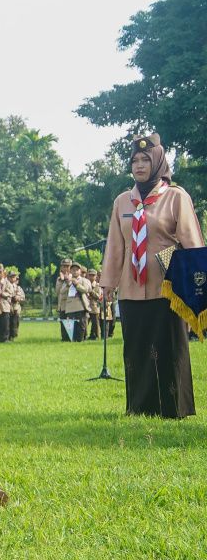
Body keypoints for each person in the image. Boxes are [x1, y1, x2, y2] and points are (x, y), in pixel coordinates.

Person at [100, 133, 204, 419]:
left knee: (169, 348)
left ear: (158, 162)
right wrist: (108, 283)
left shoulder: (176, 197)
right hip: (131, 288)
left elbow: (192, 242)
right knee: (136, 348)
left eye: (145, 160)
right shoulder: (123, 202)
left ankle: (173, 408)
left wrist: (199, 285)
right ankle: (140, 407)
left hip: (167, 288)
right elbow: (115, 245)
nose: (139, 165)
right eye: (135, 160)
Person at [66, 263, 92, 342]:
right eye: (73, 270)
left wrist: (76, 284)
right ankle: (73, 340)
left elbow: (86, 290)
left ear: (80, 271)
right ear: (70, 271)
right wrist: (67, 282)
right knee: (71, 325)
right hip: (70, 306)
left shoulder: (84, 280)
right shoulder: (67, 280)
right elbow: (60, 292)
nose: (75, 272)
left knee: (81, 324)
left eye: (77, 270)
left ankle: (80, 340)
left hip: (80, 305)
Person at [0, 264, 12, 343]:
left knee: (5, 323)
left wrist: (2, 294)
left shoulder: (7, 282)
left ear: (4, 272)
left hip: (4, 305)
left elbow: (10, 292)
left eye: (0, 272)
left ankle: (5, 338)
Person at [56, 258, 73, 341]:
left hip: (70, 304)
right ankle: (64, 338)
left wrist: (67, 279)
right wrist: (62, 280)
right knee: (63, 321)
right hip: (62, 304)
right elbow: (57, 291)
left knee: (70, 322)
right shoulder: (59, 278)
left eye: (68, 266)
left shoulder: (73, 277)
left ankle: (70, 337)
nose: (66, 268)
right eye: (64, 266)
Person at [86, 269, 103, 340]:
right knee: (85, 323)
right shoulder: (85, 284)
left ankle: (96, 336)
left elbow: (99, 296)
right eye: (90, 275)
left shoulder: (97, 285)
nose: (91, 277)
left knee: (95, 324)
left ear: (96, 276)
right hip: (86, 306)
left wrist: (91, 292)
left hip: (95, 307)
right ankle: (84, 336)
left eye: (93, 275)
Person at [8, 270, 24, 341]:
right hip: (7, 307)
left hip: (16, 307)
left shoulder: (18, 288)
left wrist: (18, 298)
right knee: (7, 323)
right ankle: (7, 336)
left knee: (15, 323)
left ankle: (13, 337)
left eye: (14, 277)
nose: (12, 278)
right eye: (11, 277)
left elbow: (23, 297)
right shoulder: (6, 286)